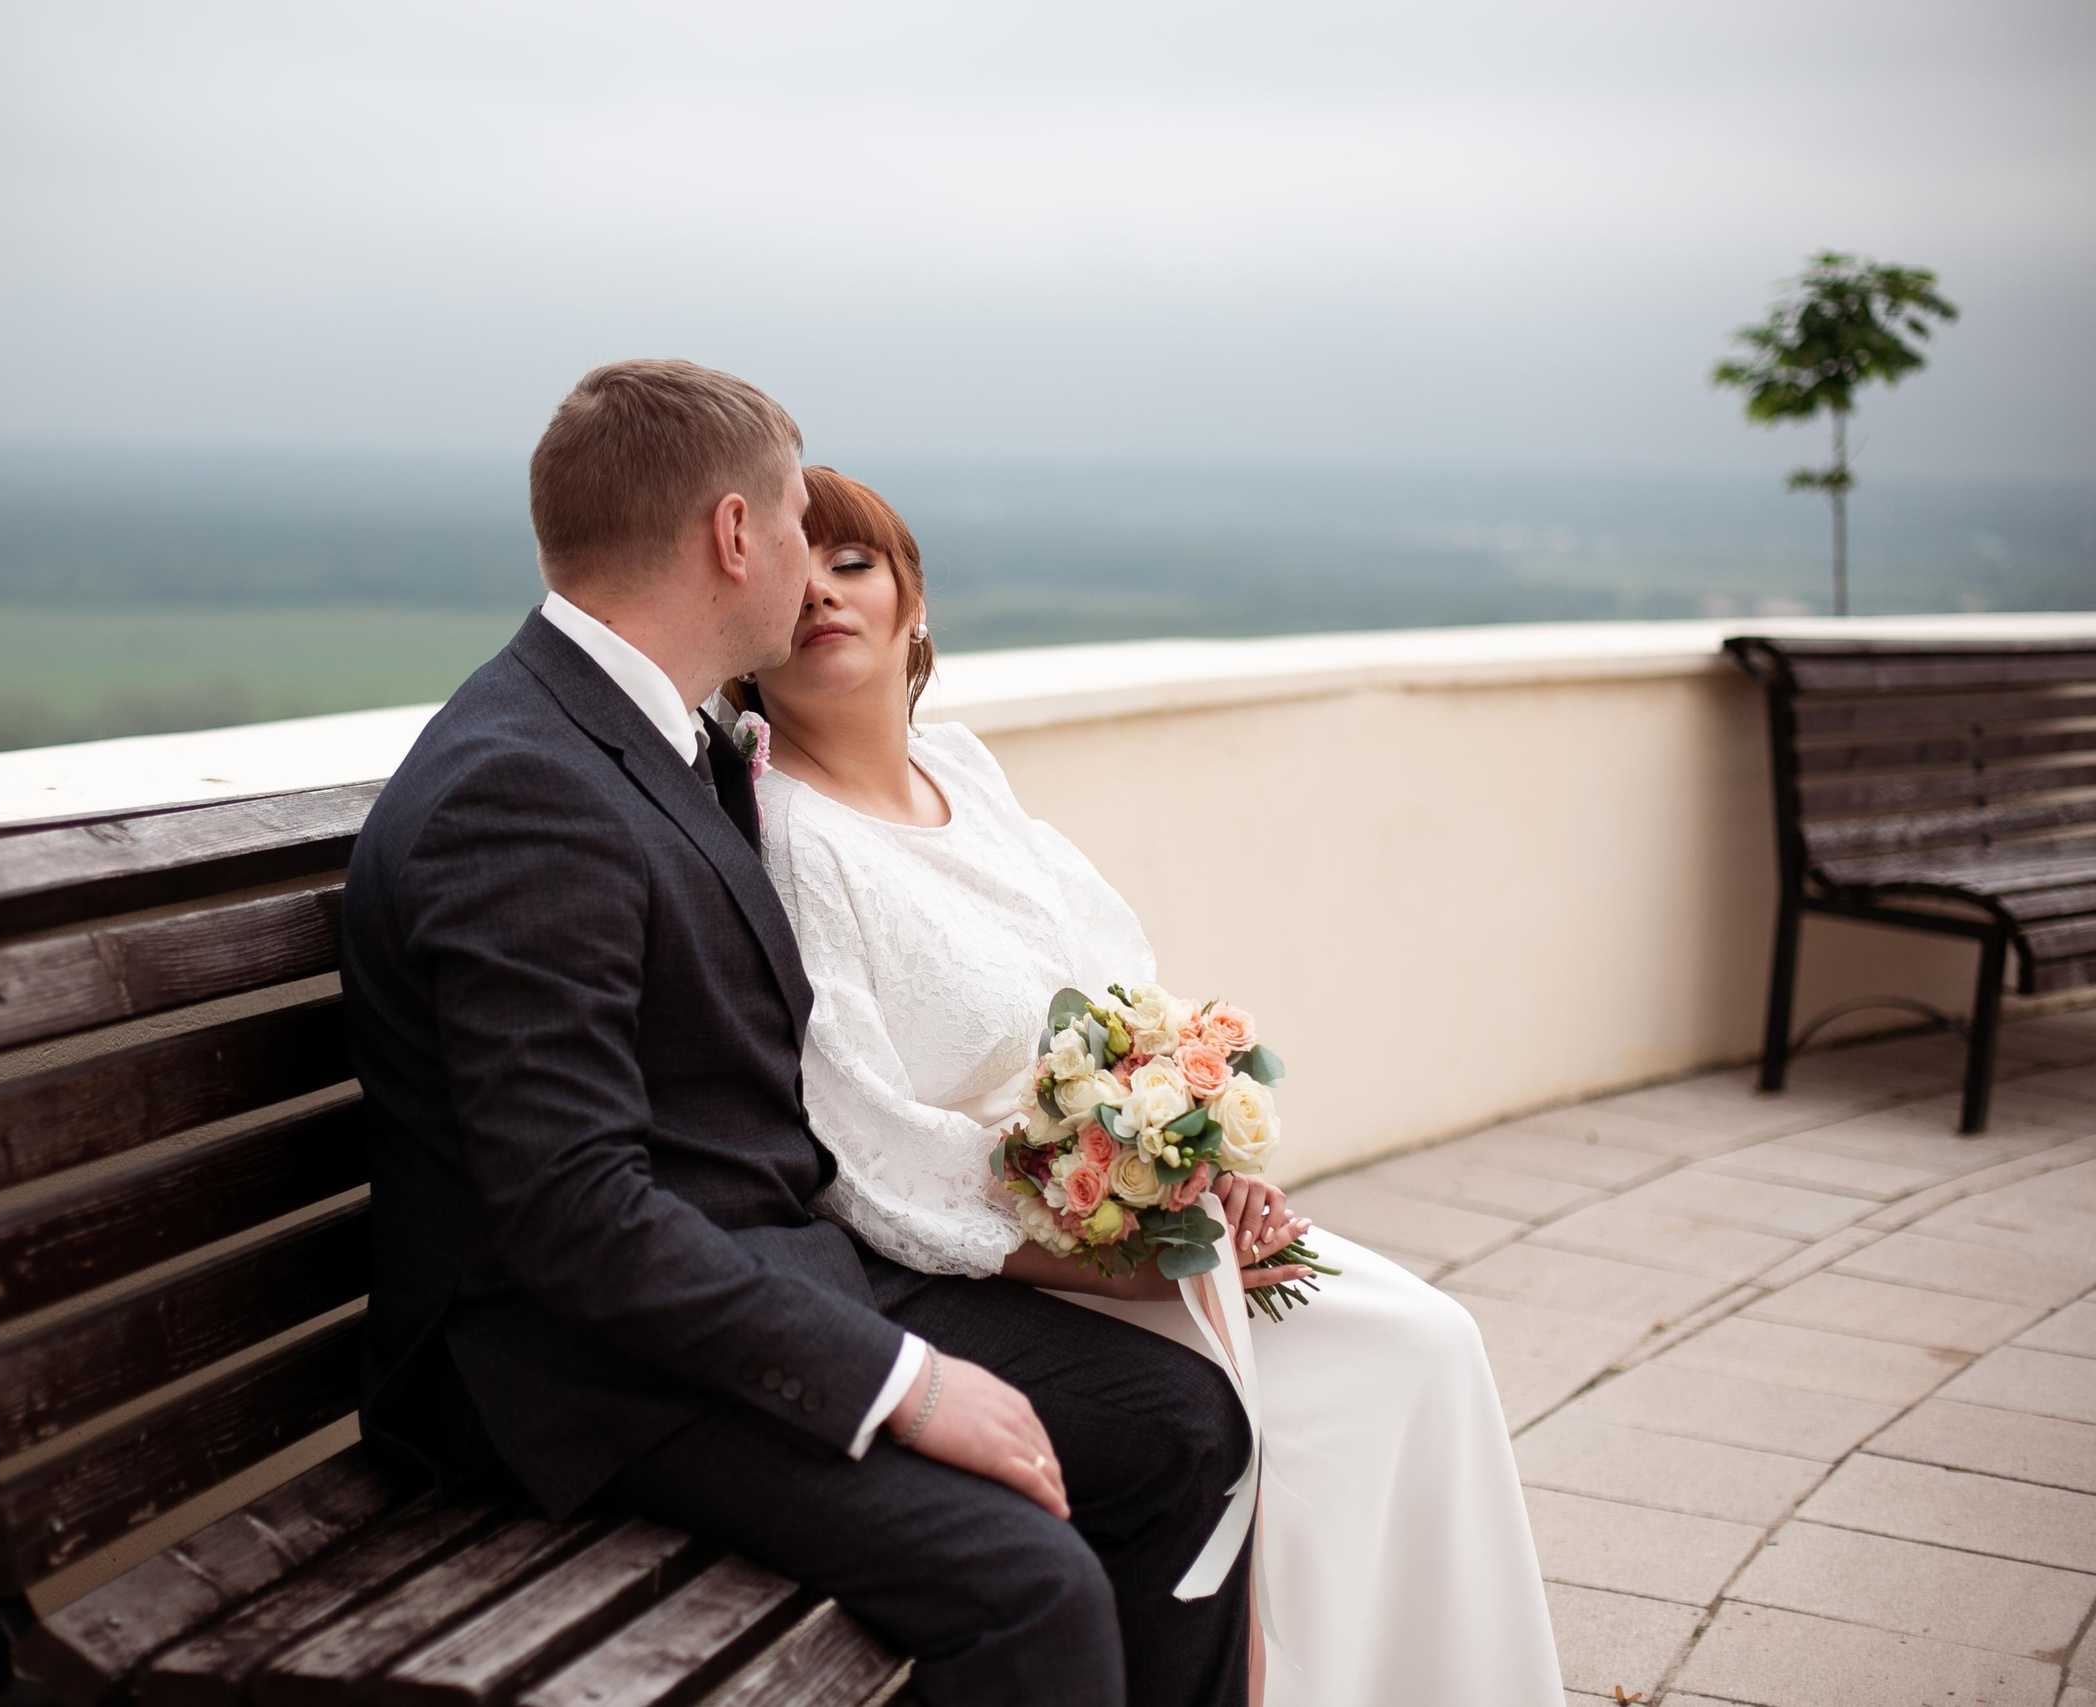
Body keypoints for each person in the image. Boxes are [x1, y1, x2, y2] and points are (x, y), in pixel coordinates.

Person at [339, 361, 1256, 1707]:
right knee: (1027, 1583)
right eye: (789, 519)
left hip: (742, 1265)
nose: (808, 564)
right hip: (572, 1368)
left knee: (1185, 1427)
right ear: (731, 535)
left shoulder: (661, 738)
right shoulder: (523, 790)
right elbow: (572, 1208)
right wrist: (900, 1379)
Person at [734, 465, 1568, 1707]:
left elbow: (1124, 996)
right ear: (745, 645)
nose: (822, 596)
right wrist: (1112, 1245)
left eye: (853, 565)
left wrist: (1206, 1166)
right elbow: (863, 1143)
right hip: (1007, 1254)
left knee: (1432, 1344)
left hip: (1138, 1224)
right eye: (792, 577)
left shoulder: (965, 774)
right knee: (1369, 1374)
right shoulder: (788, 838)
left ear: (915, 607)